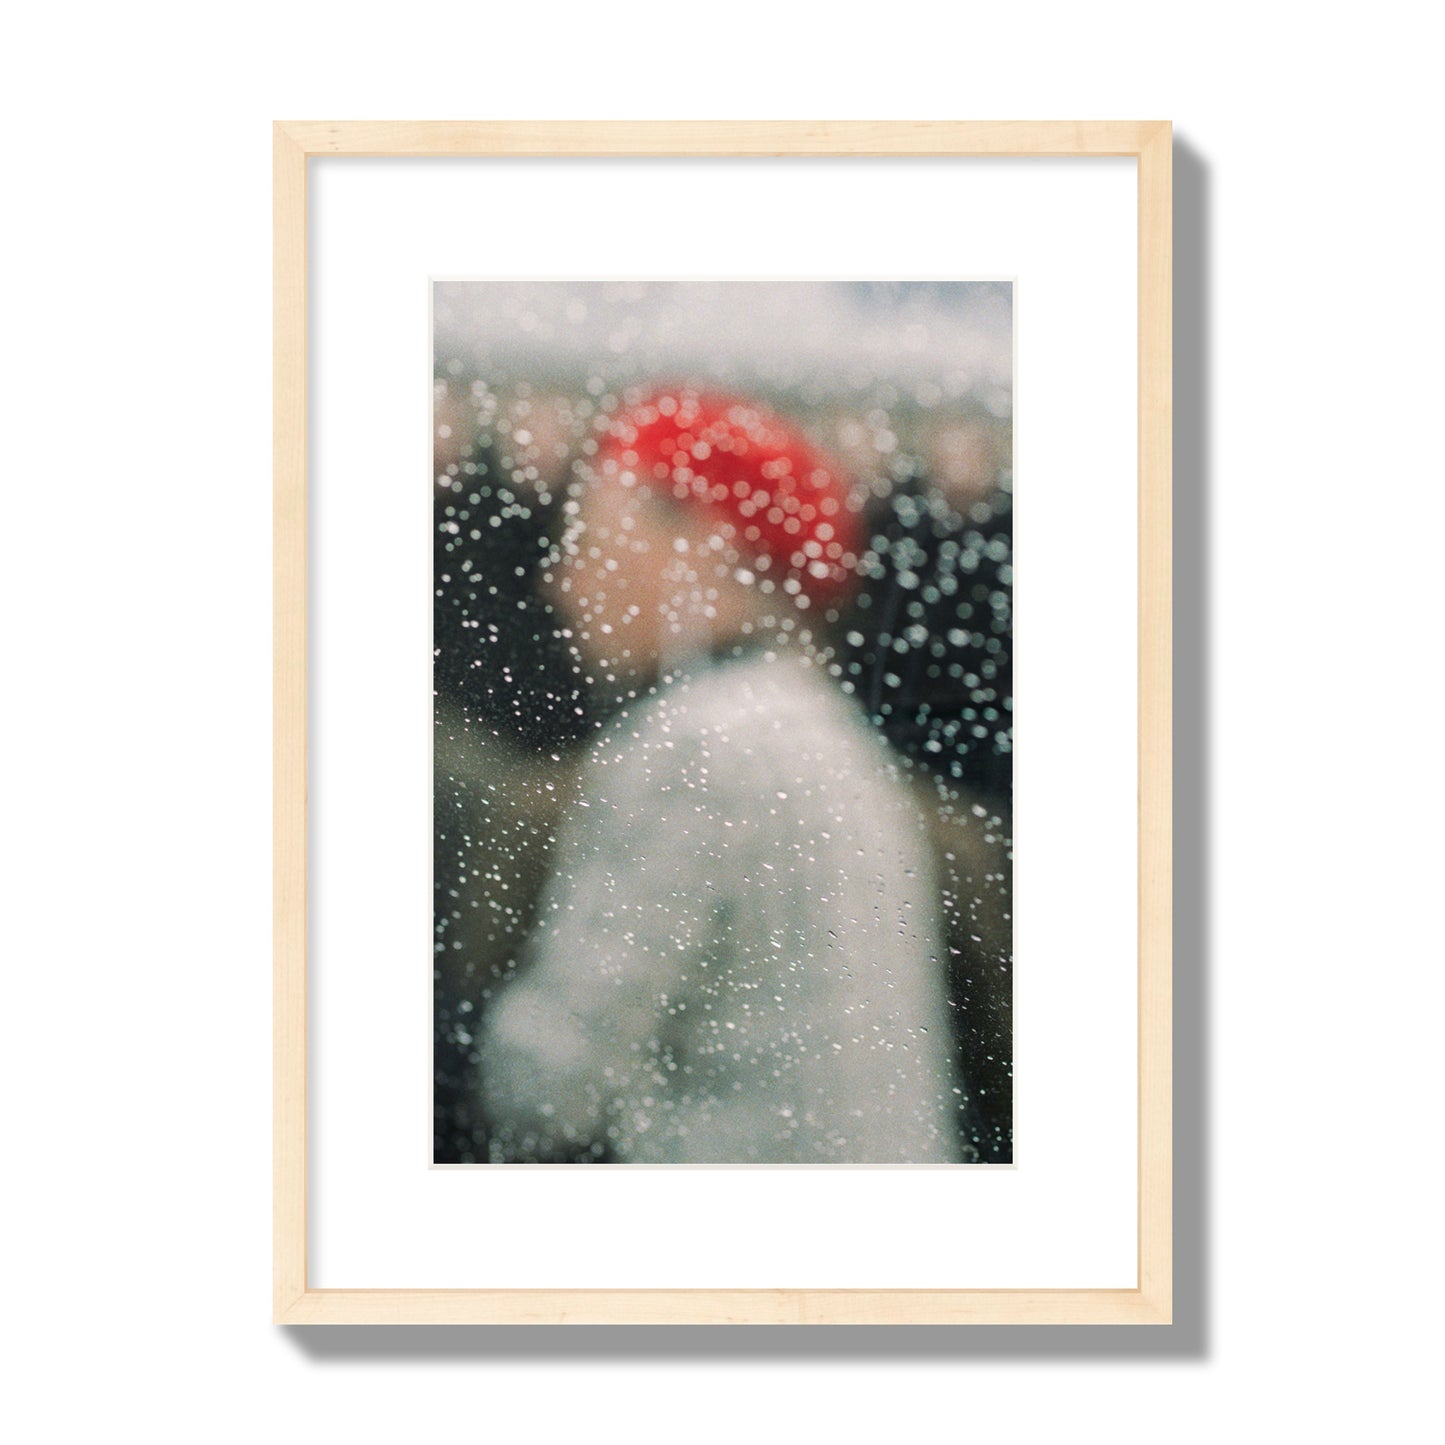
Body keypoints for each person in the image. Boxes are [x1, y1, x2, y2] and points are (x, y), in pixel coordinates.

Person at [479, 388, 960, 1163]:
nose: (560, 580)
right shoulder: (818, 729)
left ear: (698, 545)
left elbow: (551, 1084)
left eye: (587, 539)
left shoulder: (699, 744)